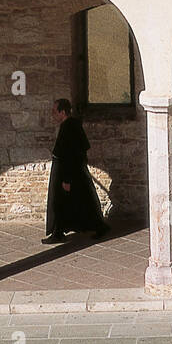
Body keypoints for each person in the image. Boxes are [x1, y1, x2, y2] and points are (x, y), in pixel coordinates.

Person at [42, 98, 109, 243]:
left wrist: (67, 179)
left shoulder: (69, 127)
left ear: (63, 112)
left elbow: (70, 154)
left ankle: (96, 227)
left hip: (68, 172)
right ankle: (59, 231)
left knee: (65, 202)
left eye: (55, 111)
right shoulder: (70, 125)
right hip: (72, 171)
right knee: (73, 202)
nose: (53, 114)